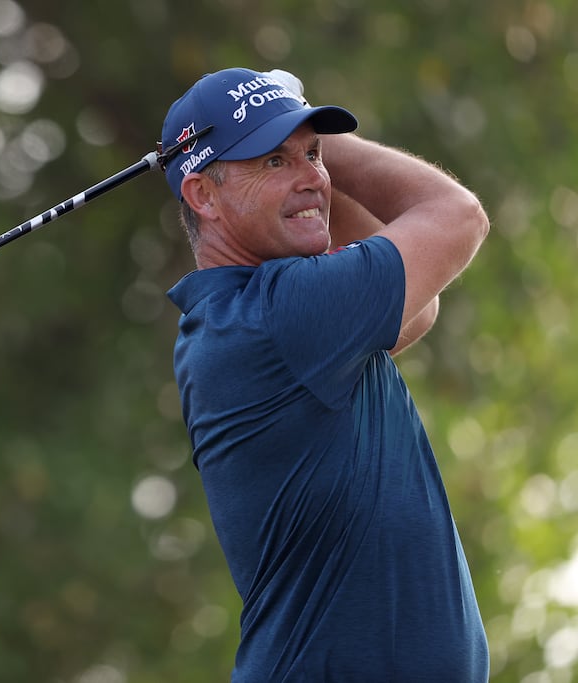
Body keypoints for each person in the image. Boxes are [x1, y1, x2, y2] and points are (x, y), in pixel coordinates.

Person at [159, 67, 489, 682]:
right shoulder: (281, 315)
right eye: (274, 162)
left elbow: (419, 307)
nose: (315, 177)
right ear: (202, 195)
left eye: (315, 154)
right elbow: (456, 215)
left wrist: (292, 139)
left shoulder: (248, 314)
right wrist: (322, 140)